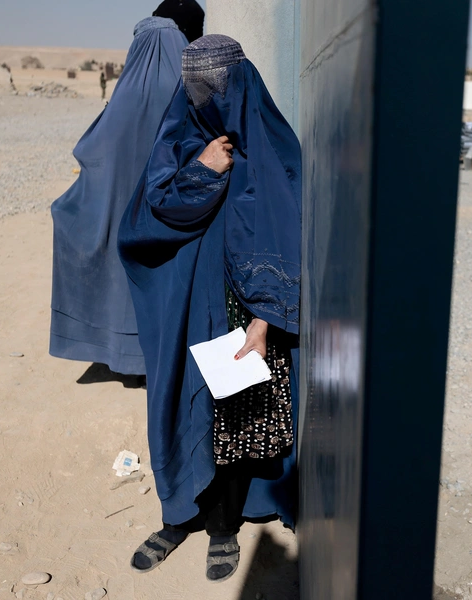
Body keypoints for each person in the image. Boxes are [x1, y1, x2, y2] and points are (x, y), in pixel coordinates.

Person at [118, 35, 301, 583]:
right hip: (185, 306)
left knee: (236, 420)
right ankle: (178, 515)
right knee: (176, 404)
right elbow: (153, 214)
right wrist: (203, 168)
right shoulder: (180, 138)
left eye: (217, 83)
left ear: (239, 80)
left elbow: (285, 233)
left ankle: (223, 525)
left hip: (247, 312)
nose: (206, 95)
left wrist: (265, 319)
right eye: (195, 83)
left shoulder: (272, 146)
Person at [49, 17, 188, 378]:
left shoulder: (126, 93)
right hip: (174, 214)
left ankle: (125, 355)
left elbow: (95, 149)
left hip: (125, 208)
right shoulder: (189, 90)